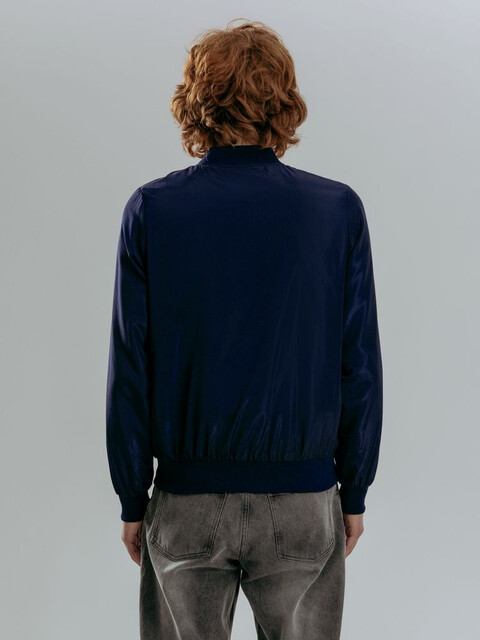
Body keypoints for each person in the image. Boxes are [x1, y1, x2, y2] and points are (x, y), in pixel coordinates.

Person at [105, 18, 383, 640]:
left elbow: (130, 368)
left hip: (186, 502)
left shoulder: (152, 210)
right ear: (283, 100)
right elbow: (358, 363)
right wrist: (354, 489)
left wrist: (132, 496)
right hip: (304, 502)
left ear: (196, 102)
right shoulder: (336, 210)